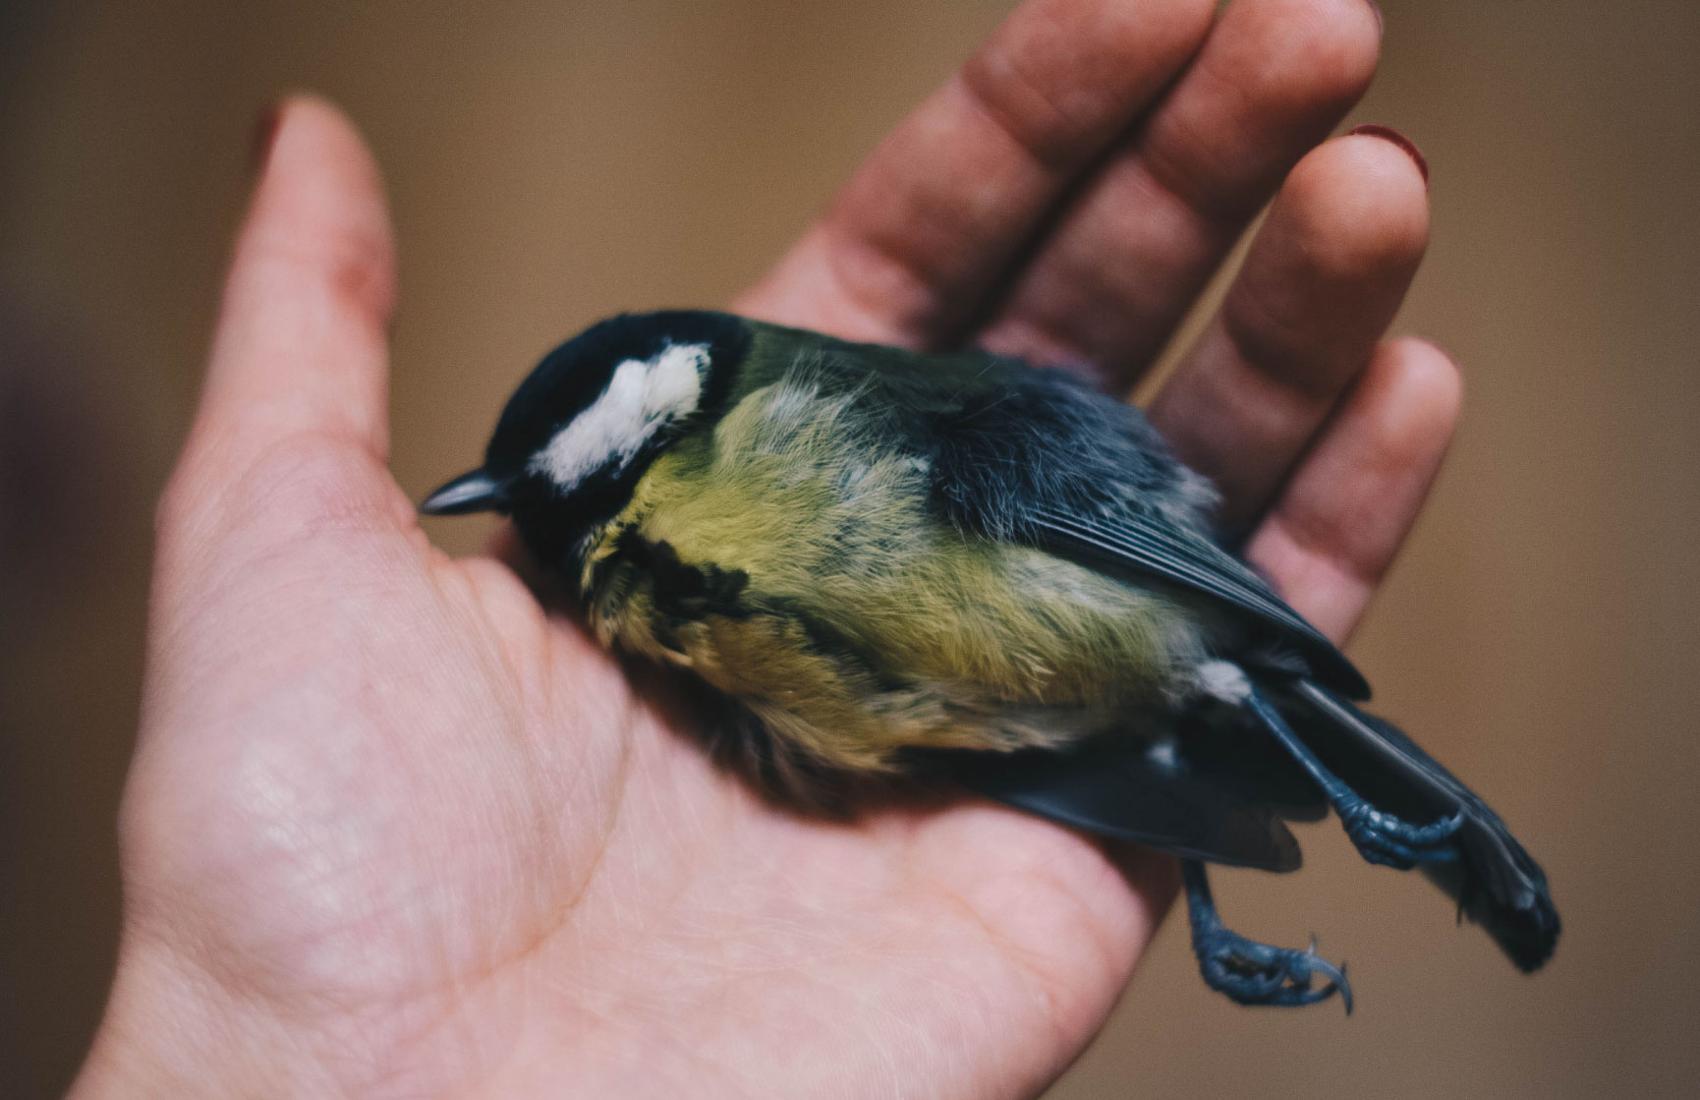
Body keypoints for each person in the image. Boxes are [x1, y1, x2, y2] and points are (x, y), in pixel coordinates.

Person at [71, 0, 1451, 1094]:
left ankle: (1300, 762)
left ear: (647, 450)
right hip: (1026, 711)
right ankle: (1237, 794)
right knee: (1164, 721)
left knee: (1201, 678)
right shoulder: (649, 587)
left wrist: (1231, 621)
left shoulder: (765, 439)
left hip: (1081, 567)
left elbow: (1047, 512)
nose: (555, 539)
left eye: (562, 502)